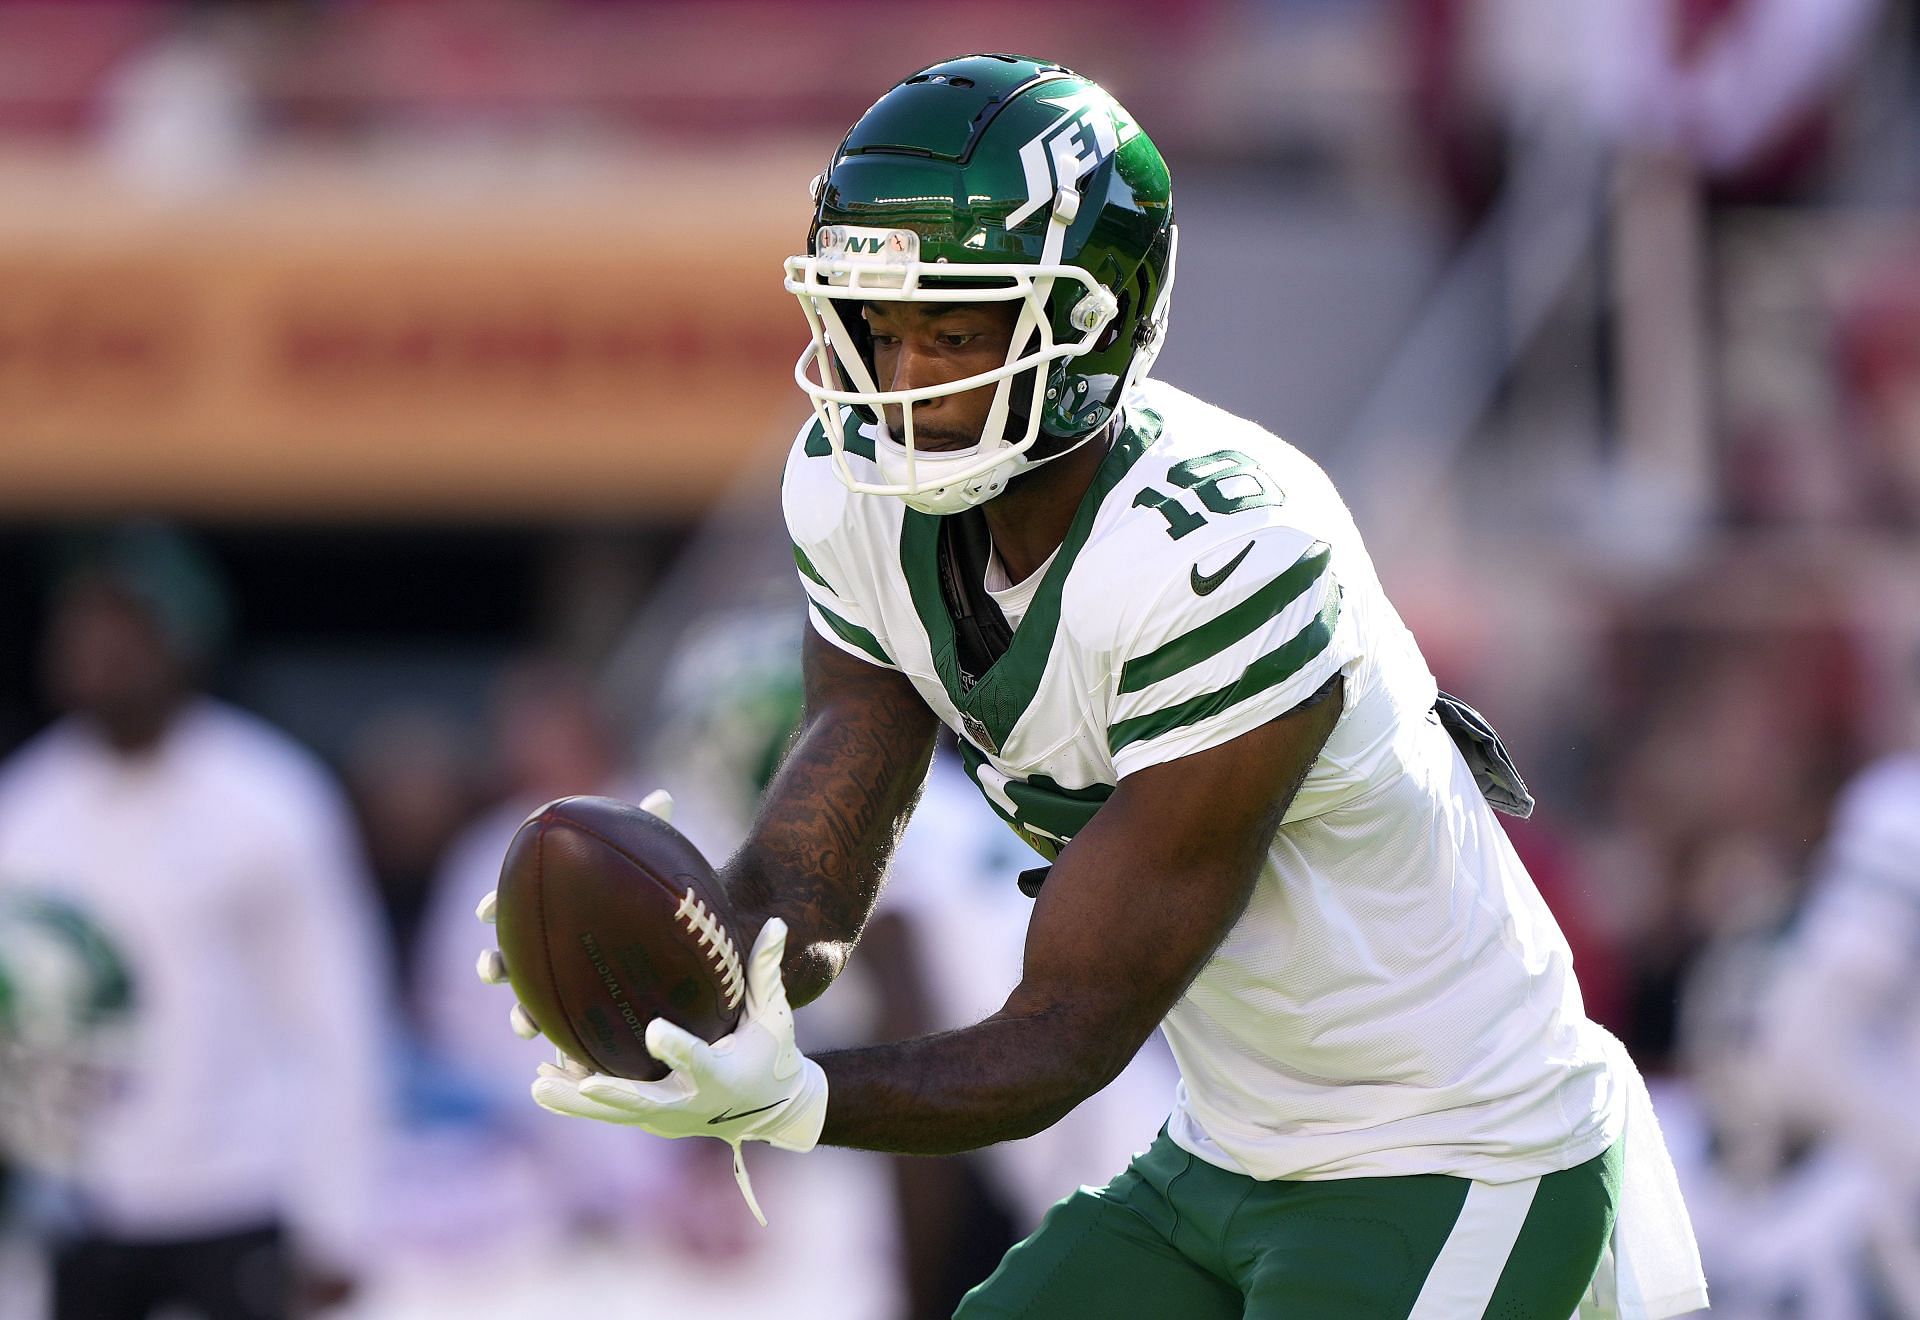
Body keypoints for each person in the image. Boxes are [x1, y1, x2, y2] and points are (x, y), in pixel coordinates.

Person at [482, 55, 1706, 1318]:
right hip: (1227, 1149)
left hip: (1462, 1148)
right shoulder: (856, 492)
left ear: (1090, 322)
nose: (901, 383)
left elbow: (1068, 1026)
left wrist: (805, 1101)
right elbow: (819, 853)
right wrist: (687, 979)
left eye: (954, 330)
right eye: (876, 326)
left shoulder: (1227, 553)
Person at [0, 527, 389, 1320]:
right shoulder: (26, 810)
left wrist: (339, 1220)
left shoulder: (269, 799)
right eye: (80, 629)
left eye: (125, 629)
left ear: (182, 640)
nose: (98, 652)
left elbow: (335, 1015)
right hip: (84, 1206)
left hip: (239, 1196)